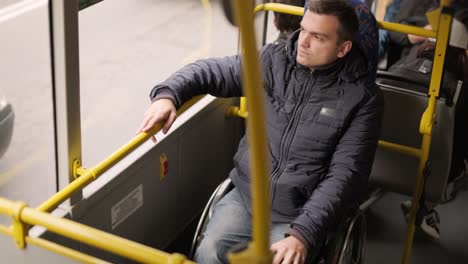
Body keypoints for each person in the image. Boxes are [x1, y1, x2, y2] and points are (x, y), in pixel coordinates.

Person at [137, 0, 383, 263]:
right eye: (303, 30)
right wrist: (168, 95)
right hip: (247, 196)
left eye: (318, 37)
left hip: (299, 213)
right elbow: (211, 71)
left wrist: (304, 233)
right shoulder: (272, 61)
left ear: (343, 48)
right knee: (209, 253)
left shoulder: (363, 100)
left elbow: (346, 175)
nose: (303, 41)